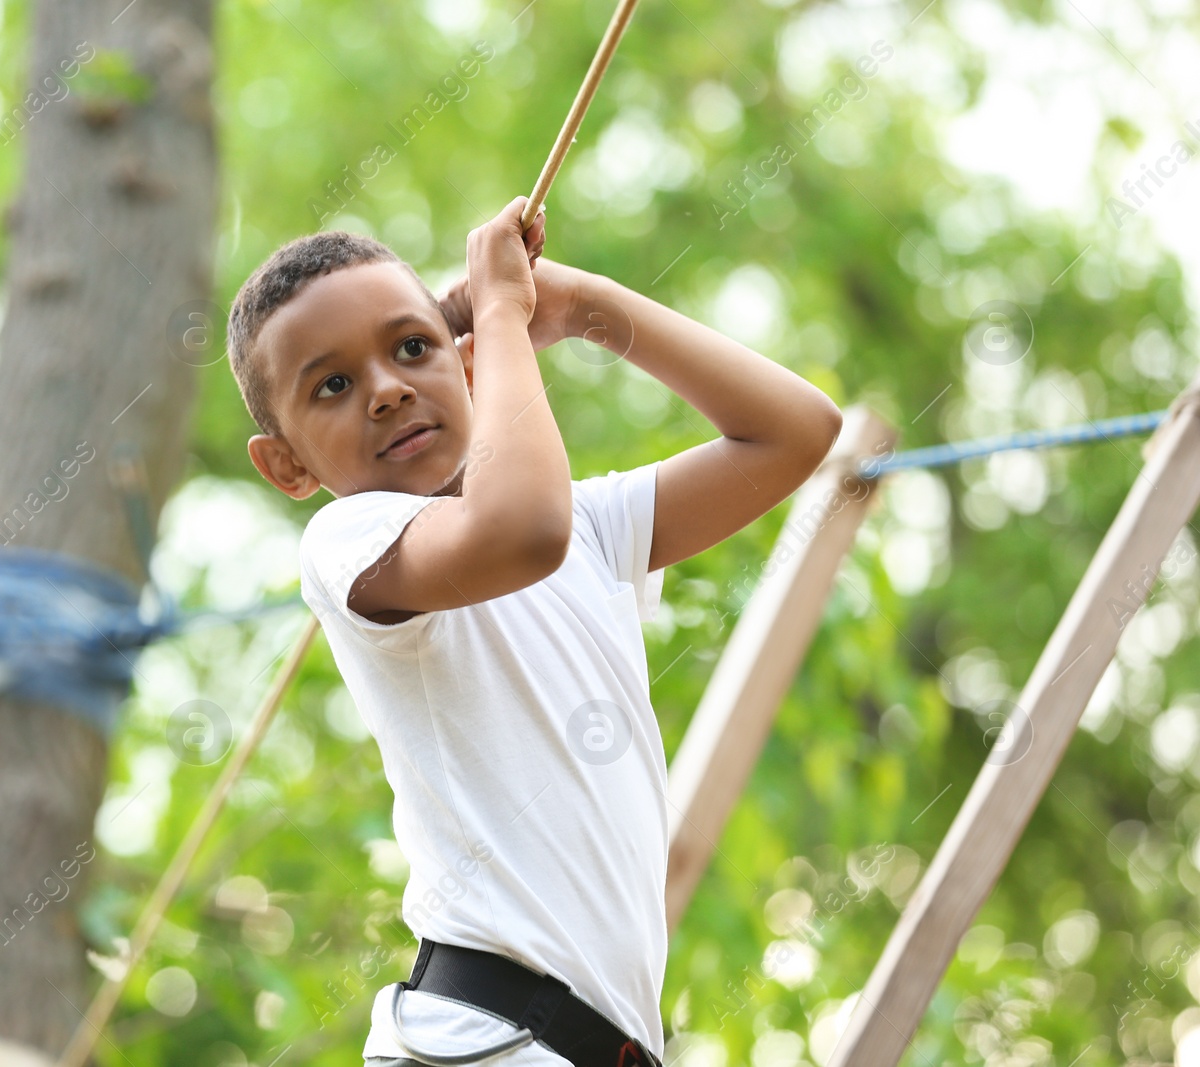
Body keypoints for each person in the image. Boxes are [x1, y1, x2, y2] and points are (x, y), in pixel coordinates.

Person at [224, 195, 842, 1066]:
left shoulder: (594, 528)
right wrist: (505, 319)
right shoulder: (349, 538)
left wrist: (583, 305)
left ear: (465, 365)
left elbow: (795, 431)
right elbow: (520, 532)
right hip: (485, 1034)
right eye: (332, 384)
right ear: (286, 464)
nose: (390, 387)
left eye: (412, 347)